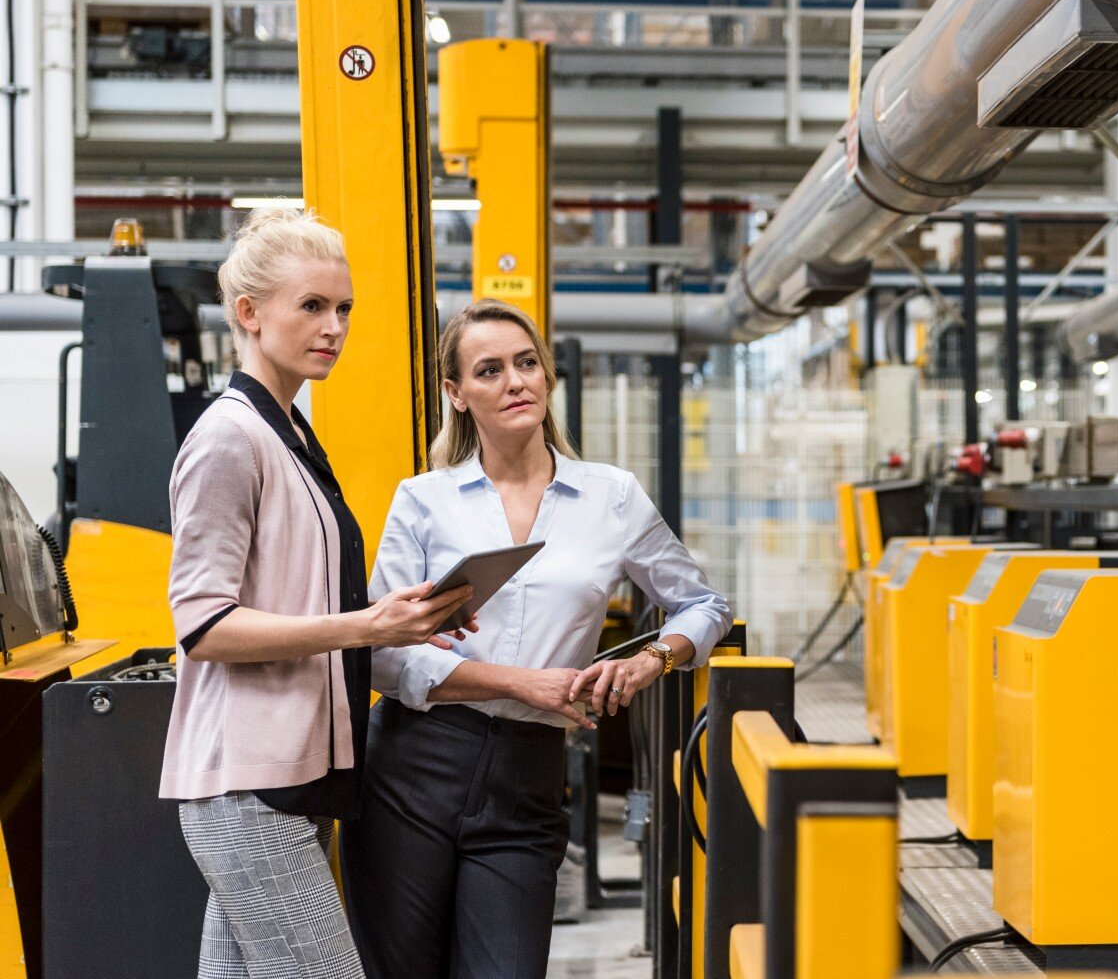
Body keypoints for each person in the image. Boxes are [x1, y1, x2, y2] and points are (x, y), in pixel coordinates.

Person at [341, 298, 731, 979]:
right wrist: (522, 682)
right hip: (413, 768)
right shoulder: (424, 499)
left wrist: (652, 659)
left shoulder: (611, 497)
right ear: (456, 394)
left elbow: (704, 603)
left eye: (527, 363)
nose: (515, 380)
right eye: (489, 370)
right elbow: (382, 653)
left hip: (529, 776)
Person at [160, 208, 477, 979]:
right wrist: (363, 627)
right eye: (311, 306)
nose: (333, 326)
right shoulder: (229, 438)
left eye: (343, 309)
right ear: (249, 314)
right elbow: (202, 623)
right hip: (250, 786)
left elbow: (306, 591)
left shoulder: (290, 434)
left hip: (295, 776)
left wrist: (402, 623)